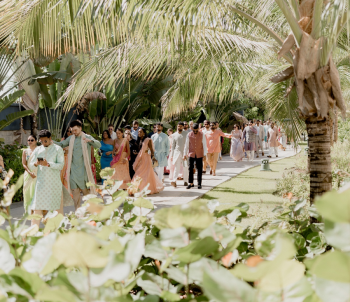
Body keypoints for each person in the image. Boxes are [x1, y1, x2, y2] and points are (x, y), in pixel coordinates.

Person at [54, 120, 101, 210]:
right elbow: (61, 144)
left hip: (83, 171)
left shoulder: (86, 137)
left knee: (86, 193)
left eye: (75, 130)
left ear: (80, 128)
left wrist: (89, 140)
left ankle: (90, 211)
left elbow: (98, 145)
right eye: (72, 131)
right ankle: (78, 212)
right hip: (73, 171)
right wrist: (51, 141)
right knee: (75, 194)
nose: (74, 132)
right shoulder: (71, 138)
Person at [29, 130, 72, 226]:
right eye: (41, 141)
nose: (43, 143)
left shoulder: (58, 149)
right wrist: (35, 164)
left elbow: (61, 165)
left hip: (54, 184)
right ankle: (32, 232)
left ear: (50, 139)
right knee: (37, 209)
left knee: (57, 210)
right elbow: (31, 166)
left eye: (45, 141)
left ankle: (60, 231)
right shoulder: (38, 149)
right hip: (41, 184)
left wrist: (48, 164)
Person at [132, 128, 164, 194]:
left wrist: (153, 157)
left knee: (146, 173)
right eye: (138, 132)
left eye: (140, 132)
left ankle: (146, 188)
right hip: (140, 159)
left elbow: (151, 149)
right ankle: (137, 188)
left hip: (146, 159)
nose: (139, 133)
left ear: (144, 133)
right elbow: (140, 151)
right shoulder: (138, 140)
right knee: (138, 173)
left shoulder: (148, 140)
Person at [184, 123, 207, 189]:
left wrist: (205, 154)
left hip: (199, 154)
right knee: (190, 168)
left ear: (199, 129)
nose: (195, 131)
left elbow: (204, 145)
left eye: (196, 130)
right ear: (192, 129)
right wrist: (184, 154)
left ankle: (199, 184)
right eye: (194, 130)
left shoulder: (202, 134)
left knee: (199, 169)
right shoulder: (189, 134)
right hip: (191, 154)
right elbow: (186, 145)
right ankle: (191, 183)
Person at [22, 135, 38, 212]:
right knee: (27, 192)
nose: (30, 142)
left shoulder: (39, 150)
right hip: (28, 174)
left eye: (32, 140)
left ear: (36, 141)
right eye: (29, 140)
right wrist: (29, 172)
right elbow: (24, 164)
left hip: (37, 174)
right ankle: (29, 210)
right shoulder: (25, 151)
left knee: (35, 191)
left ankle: (36, 210)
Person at [169, 122, 188, 187]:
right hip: (177, 154)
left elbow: (188, 144)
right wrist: (171, 155)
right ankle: (174, 181)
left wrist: (186, 153)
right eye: (178, 126)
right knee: (176, 168)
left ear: (183, 127)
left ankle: (185, 181)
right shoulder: (174, 135)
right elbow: (173, 146)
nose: (179, 127)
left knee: (185, 167)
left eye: (180, 126)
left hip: (185, 155)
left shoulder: (186, 134)